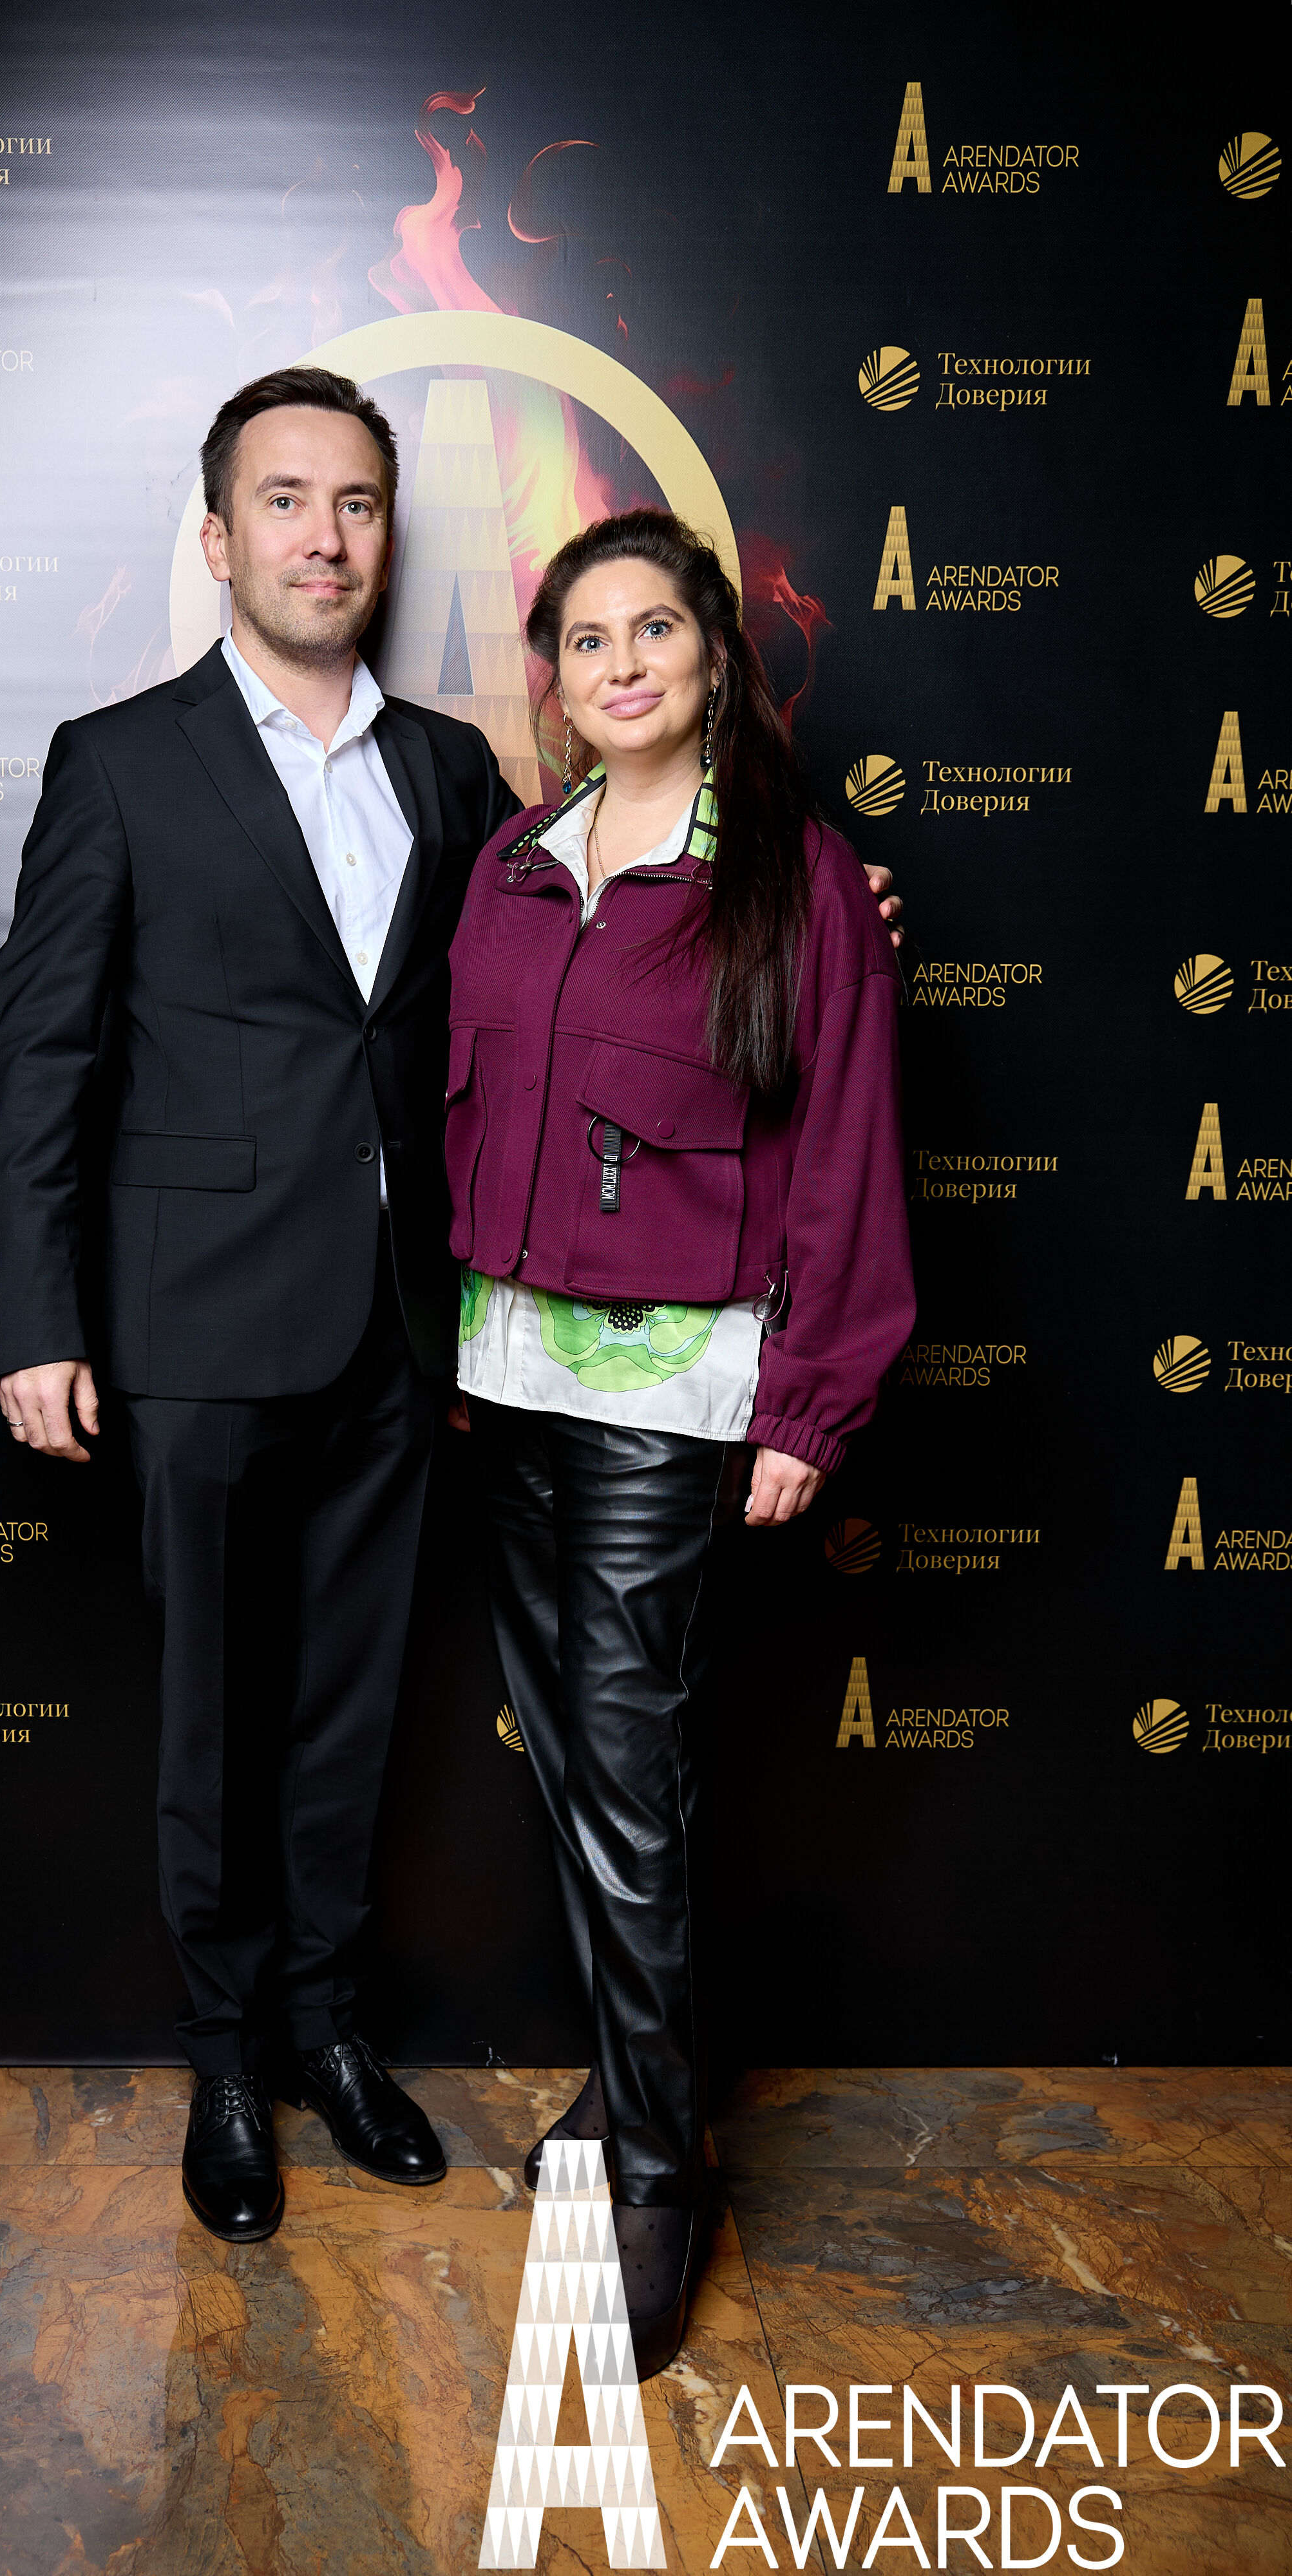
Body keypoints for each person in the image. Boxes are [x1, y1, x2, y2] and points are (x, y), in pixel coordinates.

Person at [0, 366, 904, 2248]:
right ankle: (224, 2060)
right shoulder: (119, 761)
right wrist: (35, 1319)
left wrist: (835, 920)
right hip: (188, 1333)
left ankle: (329, 2029)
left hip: (411, 1342)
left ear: (388, 541)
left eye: (356, 504)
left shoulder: (457, 780)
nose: (324, 537)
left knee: (349, 1715)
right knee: (209, 1717)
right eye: (285, 500)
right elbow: (42, 1057)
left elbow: (602, 968)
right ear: (219, 534)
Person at [444, 507, 915, 2376]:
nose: (621, 664)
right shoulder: (513, 864)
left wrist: (810, 1396)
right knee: (575, 1763)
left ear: (714, 655)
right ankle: (635, 2081)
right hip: (506, 1368)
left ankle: (659, 2173)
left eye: (654, 629)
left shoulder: (797, 881)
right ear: (552, 681)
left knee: (630, 1774)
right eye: (586, 639)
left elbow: (846, 1151)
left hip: (671, 1384)